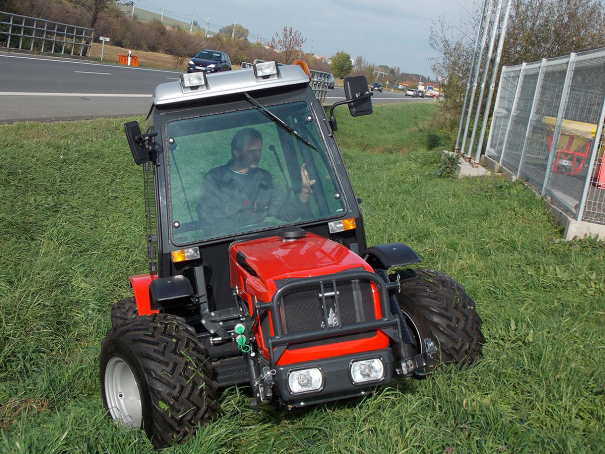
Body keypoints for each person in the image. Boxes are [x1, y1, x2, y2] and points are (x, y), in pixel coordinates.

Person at [197, 127, 315, 234]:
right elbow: (209, 221)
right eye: (251, 151)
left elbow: (285, 212)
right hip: (228, 245)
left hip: (260, 242)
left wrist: (304, 192)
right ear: (236, 151)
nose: (258, 155)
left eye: (259, 150)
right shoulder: (215, 180)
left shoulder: (263, 178)